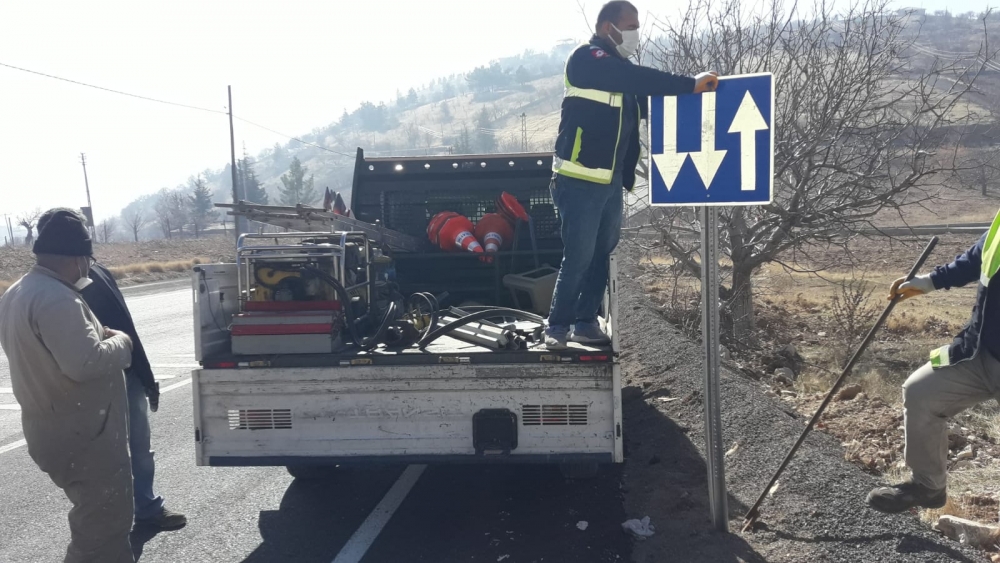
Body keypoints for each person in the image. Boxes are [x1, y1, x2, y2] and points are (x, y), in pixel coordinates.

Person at [545, 0, 719, 350]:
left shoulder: (620, 70)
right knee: (578, 256)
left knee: (602, 254)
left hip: (609, 183)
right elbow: (636, 78)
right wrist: (690, 84)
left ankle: (584, 322)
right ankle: (557, 326)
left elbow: (650, 104)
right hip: (578, 180)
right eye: (630, 25)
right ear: (607, 26)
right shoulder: (587, 59)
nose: (635, 33)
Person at [0, 208, 135, 563]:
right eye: (88, 260)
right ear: (77, 259)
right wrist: (121, 342)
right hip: (84, 436)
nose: (89, 269)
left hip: (51, 427)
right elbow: (85, 362)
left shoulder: (17, 292)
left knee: (99, 526)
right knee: (102, 533)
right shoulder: (58, 299)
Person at [868, 215, 1000, 513]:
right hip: (978, 352)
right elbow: (976, 259)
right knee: (921, 393)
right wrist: (927, 282)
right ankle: (928, 487)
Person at [80, 250, 187, 530]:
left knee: (140, 448)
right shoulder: (56, 289)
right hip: (92, 383)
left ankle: (147, 509)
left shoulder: (99, 272)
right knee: (104, 454)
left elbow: (127, 326)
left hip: (127, 374)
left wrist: (145, 374)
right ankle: (108, 519)